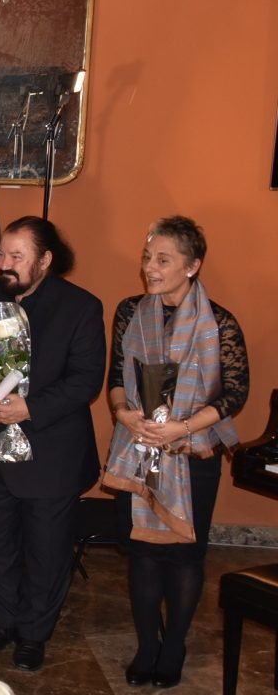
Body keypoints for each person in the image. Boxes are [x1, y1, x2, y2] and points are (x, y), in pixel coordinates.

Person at [0, 216, 105, 672]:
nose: (5, 264)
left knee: (46, 550)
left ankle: (34, 633)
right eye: (4, 255)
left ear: (45, 260)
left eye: (17, 257)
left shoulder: (81, 307)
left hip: (50, 453)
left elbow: (85, 381)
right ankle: (5, 621)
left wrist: (29, 409)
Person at [101, 216, 246, 688]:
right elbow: (116, 378)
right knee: (143, 554)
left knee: (184, 555)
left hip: (190, 451)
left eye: (163, 260)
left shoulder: (219, 322)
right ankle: (148, 645)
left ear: (192, 265)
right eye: (148, 257)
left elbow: (234, 394)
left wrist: (179, 428)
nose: (150, 267)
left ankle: (174, 645)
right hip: (138, 446)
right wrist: (126, 416)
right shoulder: (130, 311)